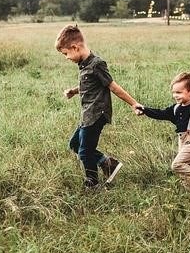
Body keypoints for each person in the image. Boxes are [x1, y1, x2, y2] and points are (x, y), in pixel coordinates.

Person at [56, 25, 139, 188]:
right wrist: (74, 91)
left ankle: (92, 182)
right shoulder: (84, 65)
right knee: (75, 144)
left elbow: (113, 86)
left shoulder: (97, 64)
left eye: (66, 54)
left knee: (85, 151)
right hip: (87, 115)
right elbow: (90, 85)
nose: (66, 58)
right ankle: (108, 164)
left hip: (96, 114)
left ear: (75, 47)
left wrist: (134, 103)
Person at [136, 72, 190, 194]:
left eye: (179, 92)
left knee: (177, 165)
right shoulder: (176, 108)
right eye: (174, 92)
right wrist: (144, 109)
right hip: (182, 142)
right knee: (186, 173)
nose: (175, 95)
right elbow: (160, 113)